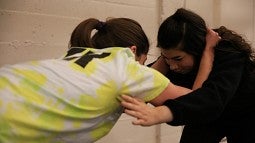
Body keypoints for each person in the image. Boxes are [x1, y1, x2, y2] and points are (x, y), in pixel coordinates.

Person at [0, 17, 219, 143]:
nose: (145, 68)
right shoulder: (128, 68)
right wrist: (208, 51)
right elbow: (196, 103)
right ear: (133, 51)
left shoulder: (77, 56)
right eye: (144, 61)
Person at [121, 8, 255, 143]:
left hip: (245, 112)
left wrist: (160, 113)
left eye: (178, 59)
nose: (172, 66)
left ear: (196, 49)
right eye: (166, 58)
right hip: (205, 114)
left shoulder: (229, 54)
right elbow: (145, 81)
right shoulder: (171, 62)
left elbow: (209, 100)